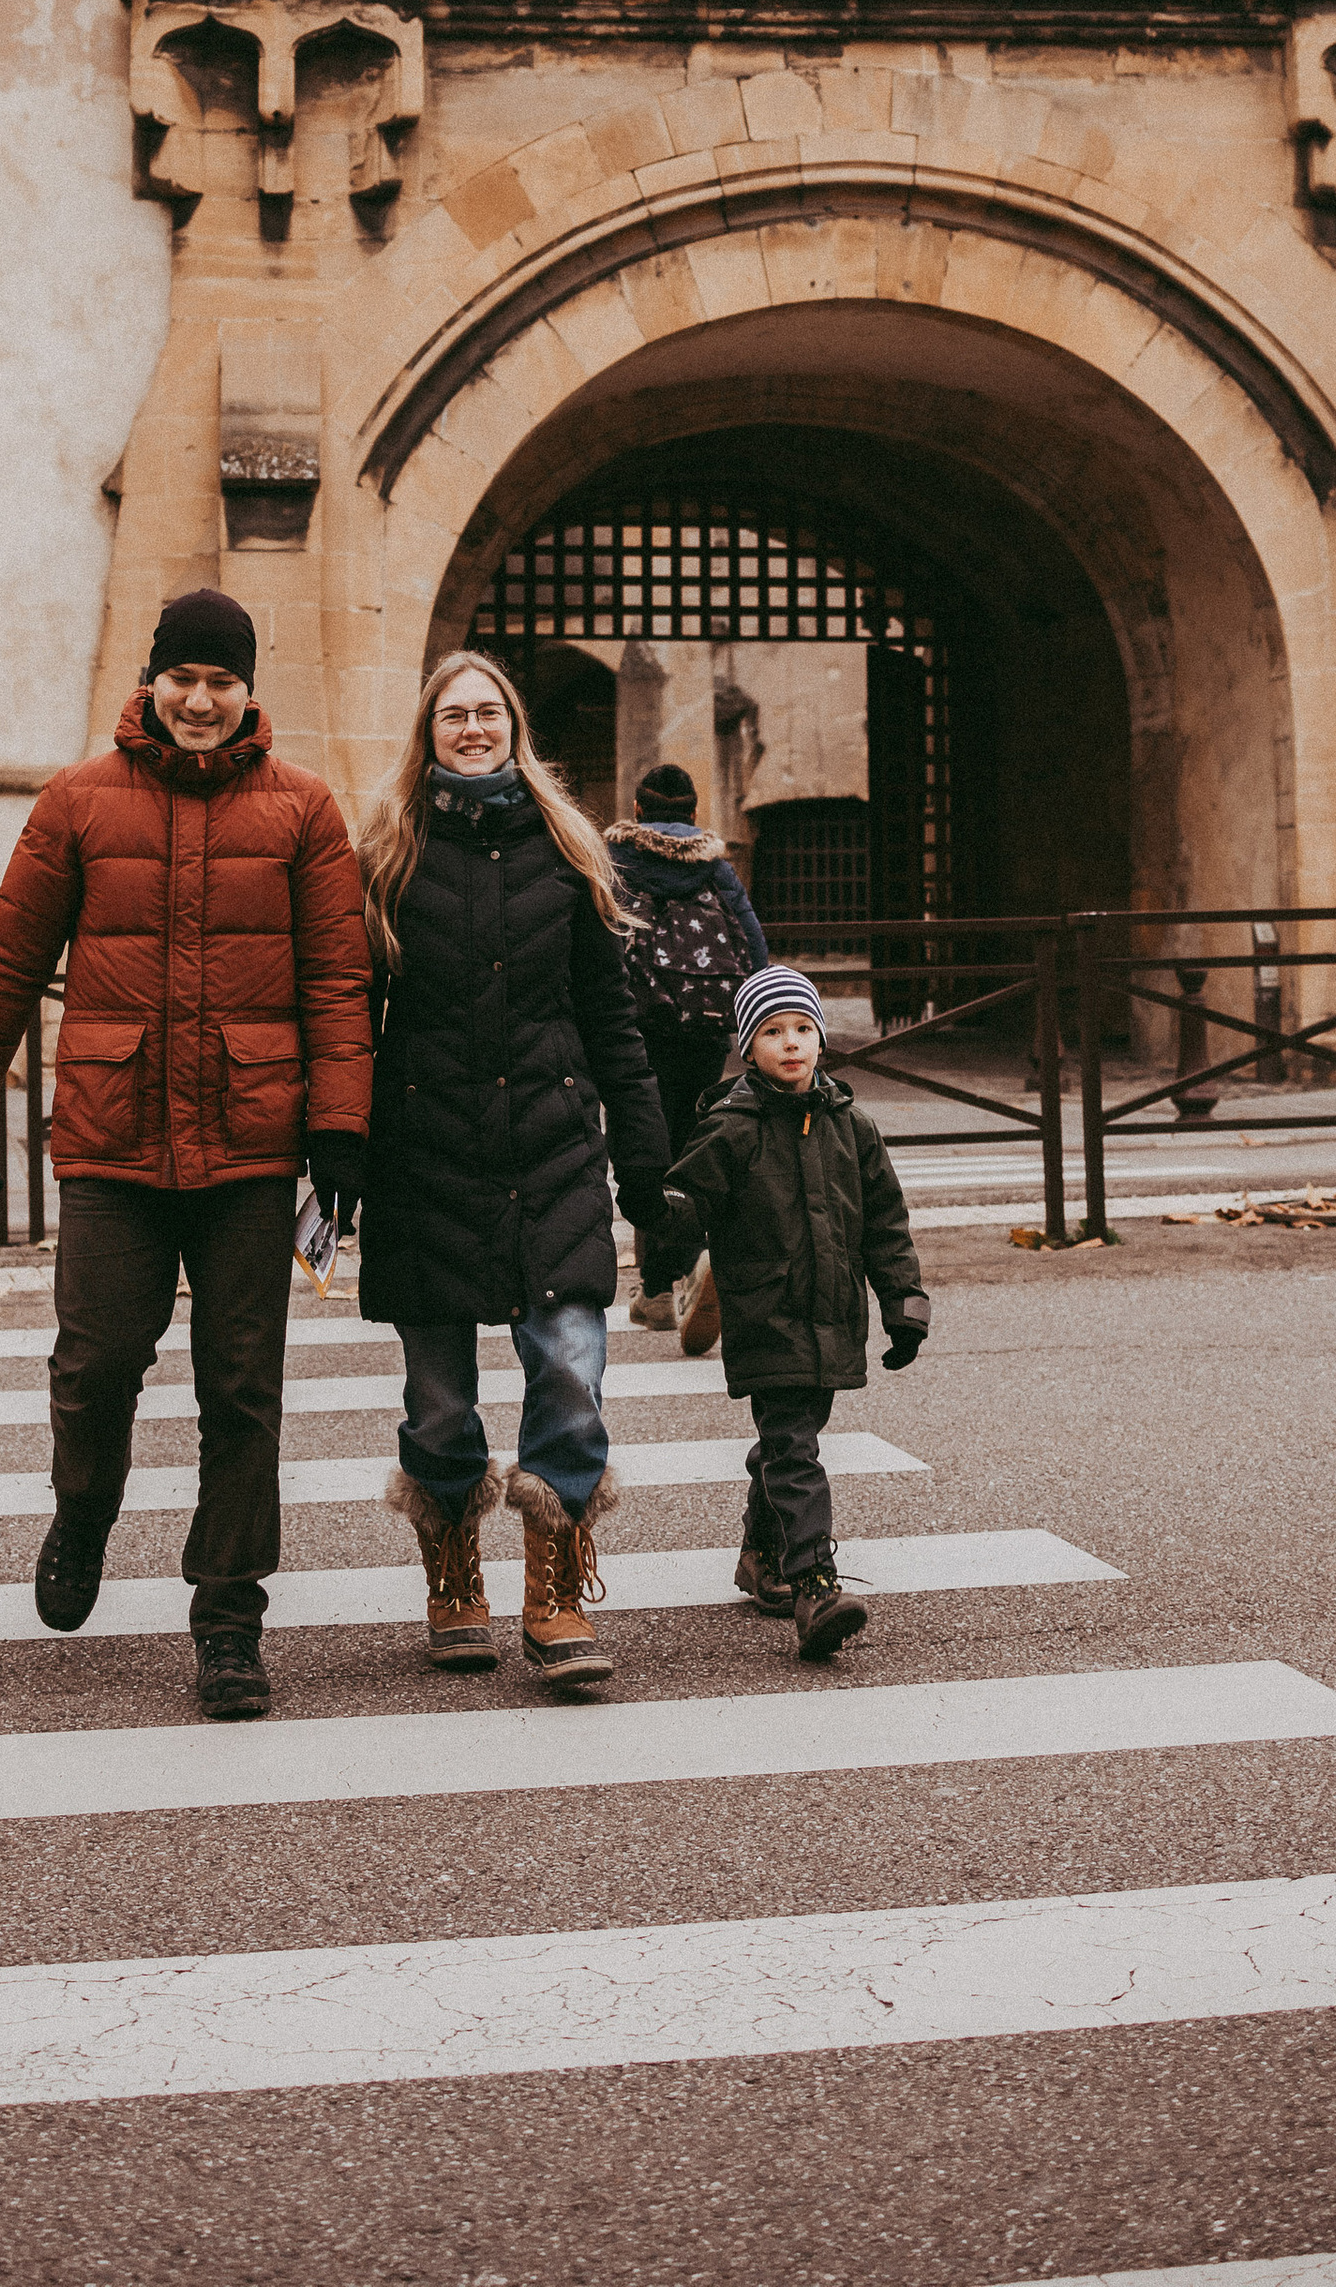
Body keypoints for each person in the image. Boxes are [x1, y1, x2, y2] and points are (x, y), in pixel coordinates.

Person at [0, 587, 372, 1724]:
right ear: (152, 679)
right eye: (184, 679)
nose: (201, 702)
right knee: (93, 1365)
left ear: (249, 690)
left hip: (253, 1144)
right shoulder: (78, 801)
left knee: (242, 1391)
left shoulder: (305, 810)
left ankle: (228, 1618)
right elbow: (7, 961)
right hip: (112, 1138)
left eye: (222, 682)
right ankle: (84, 1514)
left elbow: (337, 980)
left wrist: (339, 1128)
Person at [355, 648, 670, 1690]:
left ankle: (555, 1585)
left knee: (572, 1371)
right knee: (439, 1400)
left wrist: (646, 1160)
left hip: (551, 1148)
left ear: (514, 728)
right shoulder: (388, 851)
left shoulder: (567, 848)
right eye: (454, 714)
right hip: (424, 1156)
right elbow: (351, 1015)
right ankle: (453, 1570)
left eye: (489, 712)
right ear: (428, 732)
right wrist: (339, 1147)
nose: (474, 728)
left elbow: (610, 1018)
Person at [662, 961, 930, 1662]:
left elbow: (885, 1224)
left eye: (803, 1028)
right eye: (773, 1031)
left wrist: (903, 1303)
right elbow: (685, 1201)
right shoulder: (731, 1127)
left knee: (791, 1443)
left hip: (833, 1318)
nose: (791, 1042)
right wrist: (667, 1223)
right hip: (766, 1316)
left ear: (821, 1039)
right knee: (793, 1448)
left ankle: (759, 1555)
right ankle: (814, 1585)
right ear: (748, 1047)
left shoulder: (853, 1126)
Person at [604, 760, 766, 1332]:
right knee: (693, 1143)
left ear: (638, 810)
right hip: (704, 1025)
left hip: (636, 1027)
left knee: (644, 1146)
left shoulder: (616, 861)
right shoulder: (714, 867)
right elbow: (752, 944)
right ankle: (691, 1261)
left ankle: (657, 1287)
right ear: (694, 814)